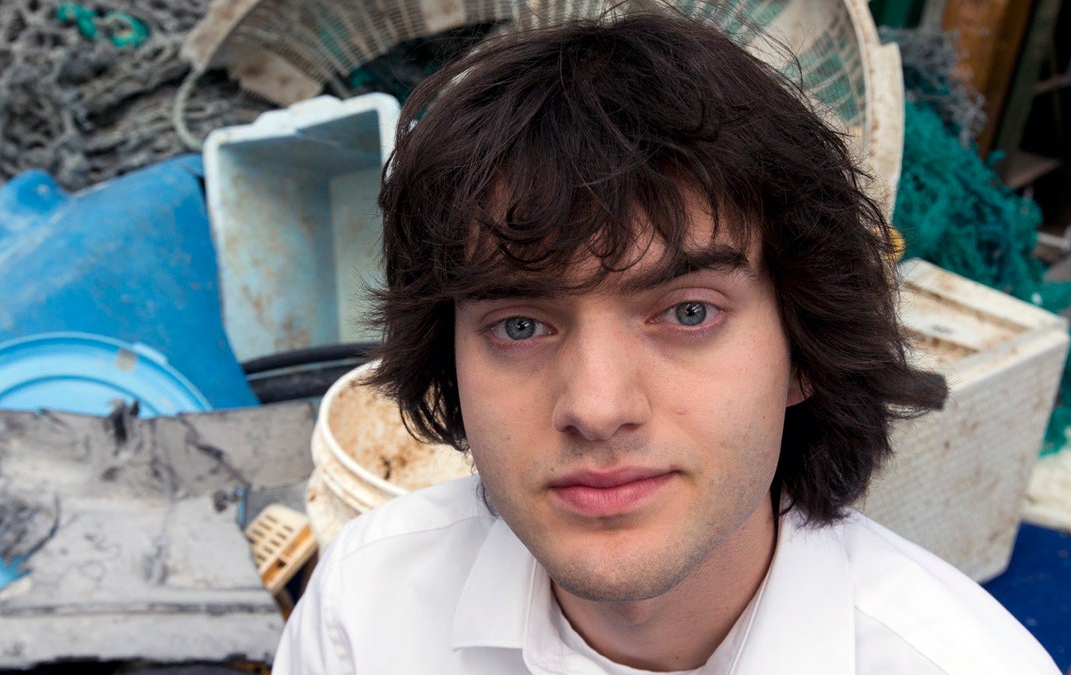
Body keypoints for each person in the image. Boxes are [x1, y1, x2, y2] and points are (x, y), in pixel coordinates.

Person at [272, 6, 1061, 674]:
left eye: (688, 312)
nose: (598, 406)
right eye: (520, 324)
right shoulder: (364, 613)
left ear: (802, 349)